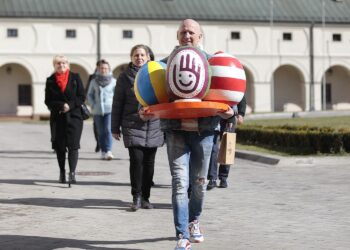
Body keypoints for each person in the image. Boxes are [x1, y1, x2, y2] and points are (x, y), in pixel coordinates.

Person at [140, 19, 234, 250]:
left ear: (200, 36)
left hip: (205, 131)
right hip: (175, 131)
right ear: (177, 35)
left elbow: (229, 92)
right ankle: (181, 234)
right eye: (183, 32)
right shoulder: (163, 66)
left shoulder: (214, 64)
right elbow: (150, 93)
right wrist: (145, 111)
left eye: (192, 32)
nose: (187, 35)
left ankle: (194, 221)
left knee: (200, 183)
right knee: (180, 184)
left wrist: (231, 112)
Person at [111, 44, 164, 211]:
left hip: (154, 125)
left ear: (148, 57)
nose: (139, 58)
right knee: (136, 161)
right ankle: (136, 197)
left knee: (149, 164)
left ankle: (146, 197)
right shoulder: (124, 77)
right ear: (131, 58)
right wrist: (114, 127)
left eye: (142, 55)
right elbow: (117, 103)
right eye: (136, 55)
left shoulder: (158, 74)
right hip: (132, 124)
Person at [44, 55, 85, 184]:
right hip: (58, 118)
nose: (61, 65)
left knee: (73, 146)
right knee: (60, 147)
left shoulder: (75, 77)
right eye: (58, 63)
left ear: (68, 64)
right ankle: (62, 172)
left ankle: (72, 173)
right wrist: (61, 106)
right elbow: (48, 101)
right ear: (54, 65)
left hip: (74, 117)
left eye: (64, 63)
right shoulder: (50, 80)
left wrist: (70, 106)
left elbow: (81, 96)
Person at [207, 95, 247, 190]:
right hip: (213, 116)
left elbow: (240, 95)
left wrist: (241, 113)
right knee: (213, 148)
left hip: (230, 116)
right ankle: (212, 178)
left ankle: (223, 178)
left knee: (227, 147)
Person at [87, 59, 116, 160]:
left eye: (105, 68)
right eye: (101, 68)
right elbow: (89, 95)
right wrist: (93, 104)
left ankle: (108, 150)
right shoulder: (94, 81)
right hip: (97, 110)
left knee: (108, 130)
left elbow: (117, 96)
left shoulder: (113, 82)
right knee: (100, 131)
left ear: (108, 69)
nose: (103, 70)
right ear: (98, 69)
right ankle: (103, 151)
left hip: (110, 110)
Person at [86, 60, 103, 153]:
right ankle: (98, 143)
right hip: (96, 105)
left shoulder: (109, 76)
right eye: (100, 66)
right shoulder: (92, 77)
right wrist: (91, 104)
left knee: (107, 127)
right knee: (96, 125)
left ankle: (105, 145)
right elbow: (87, 91)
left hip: (107, 106)